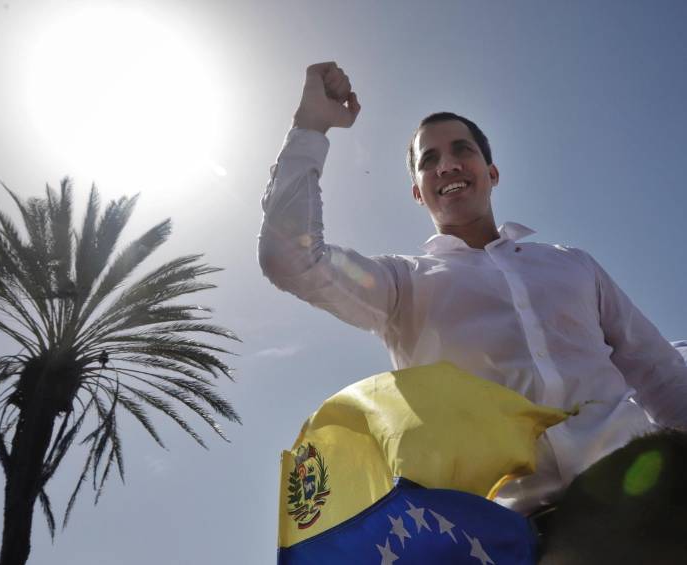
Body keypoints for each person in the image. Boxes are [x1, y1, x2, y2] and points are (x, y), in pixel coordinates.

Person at [257, 61, 687, 517]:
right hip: (519, 533)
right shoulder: (402, 286)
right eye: (429, 160)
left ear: (491, 171)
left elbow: (658, 371)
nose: (447, 165)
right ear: (418, 193)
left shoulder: (572, 264)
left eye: (462, 150)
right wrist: (311, 126)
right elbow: (290, 258)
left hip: (645, 498)